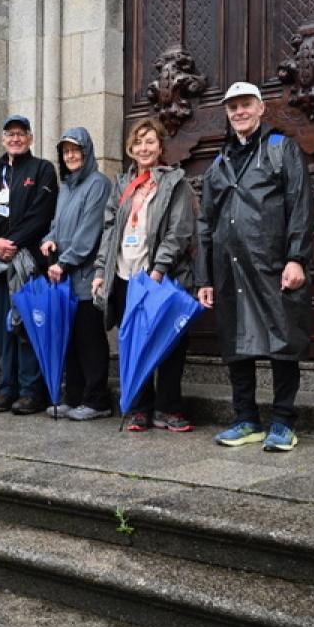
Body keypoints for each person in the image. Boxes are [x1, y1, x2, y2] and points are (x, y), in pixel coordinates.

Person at [197, 82, 314, 452]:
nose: (239, 112)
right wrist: (205, 277)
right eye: (232, 107)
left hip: (272, 264)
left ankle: (282, 423)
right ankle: (246, 419)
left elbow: (300, 204)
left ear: (261, 108)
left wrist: (297, 257)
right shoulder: (219, 162)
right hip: (229, 269)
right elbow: (206, 224)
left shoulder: (281, 149)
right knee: (236, 344)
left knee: (282, 341)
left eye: (246, 105)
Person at [91, 117, 196, 433]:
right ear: (130, 148)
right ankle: (139, 407)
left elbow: (179, 231)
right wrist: (100, 270)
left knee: (169, 344)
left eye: (150, 141)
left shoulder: (175, 182)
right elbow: (109, 230)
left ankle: (168, 407)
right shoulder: (121, 184)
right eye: (138, 142)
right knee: (133, 343)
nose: (143, 148)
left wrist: (158, 268)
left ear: (161, 146)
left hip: (160, 277)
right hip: (126, 277)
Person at [0, 115, 59, 415]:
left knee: (25, 327)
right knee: (3, 329)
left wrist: (11, 243)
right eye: (10, 133)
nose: (15, 139)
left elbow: (41, 214)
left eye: (21, 134)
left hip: (29, 264)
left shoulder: (43, 170)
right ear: (2, 138)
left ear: (31, 138)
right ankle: (6, 388)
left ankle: (29, 391)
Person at [40, 127, 112, 421]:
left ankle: (97, 401)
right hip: (66, 278)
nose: (70, 156)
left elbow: (90, 231)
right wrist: (49, 238)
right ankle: (74, 396)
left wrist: (65, 261)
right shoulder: (67, 186)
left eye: (75, 150)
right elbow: (59, 223)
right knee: (70, 340)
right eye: (65, 151)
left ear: (87, 152)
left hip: (85, 275)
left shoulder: (98, 184)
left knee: (90, 340)